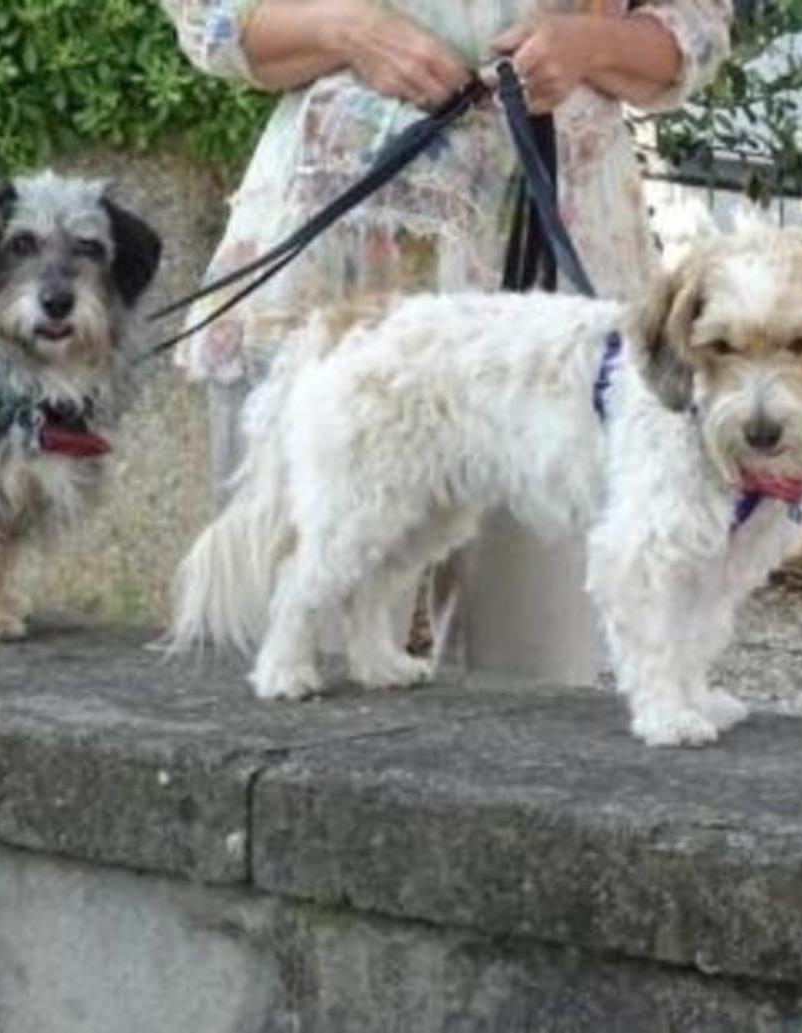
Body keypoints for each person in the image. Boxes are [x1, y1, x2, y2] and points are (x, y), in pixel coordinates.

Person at [160, 0, 733, 682]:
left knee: (536, 674)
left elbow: (694, 29)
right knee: (306, 645)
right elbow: (213, 17)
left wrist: (589, 43)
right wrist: (349, 29)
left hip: (556, 292)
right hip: (340, 268)